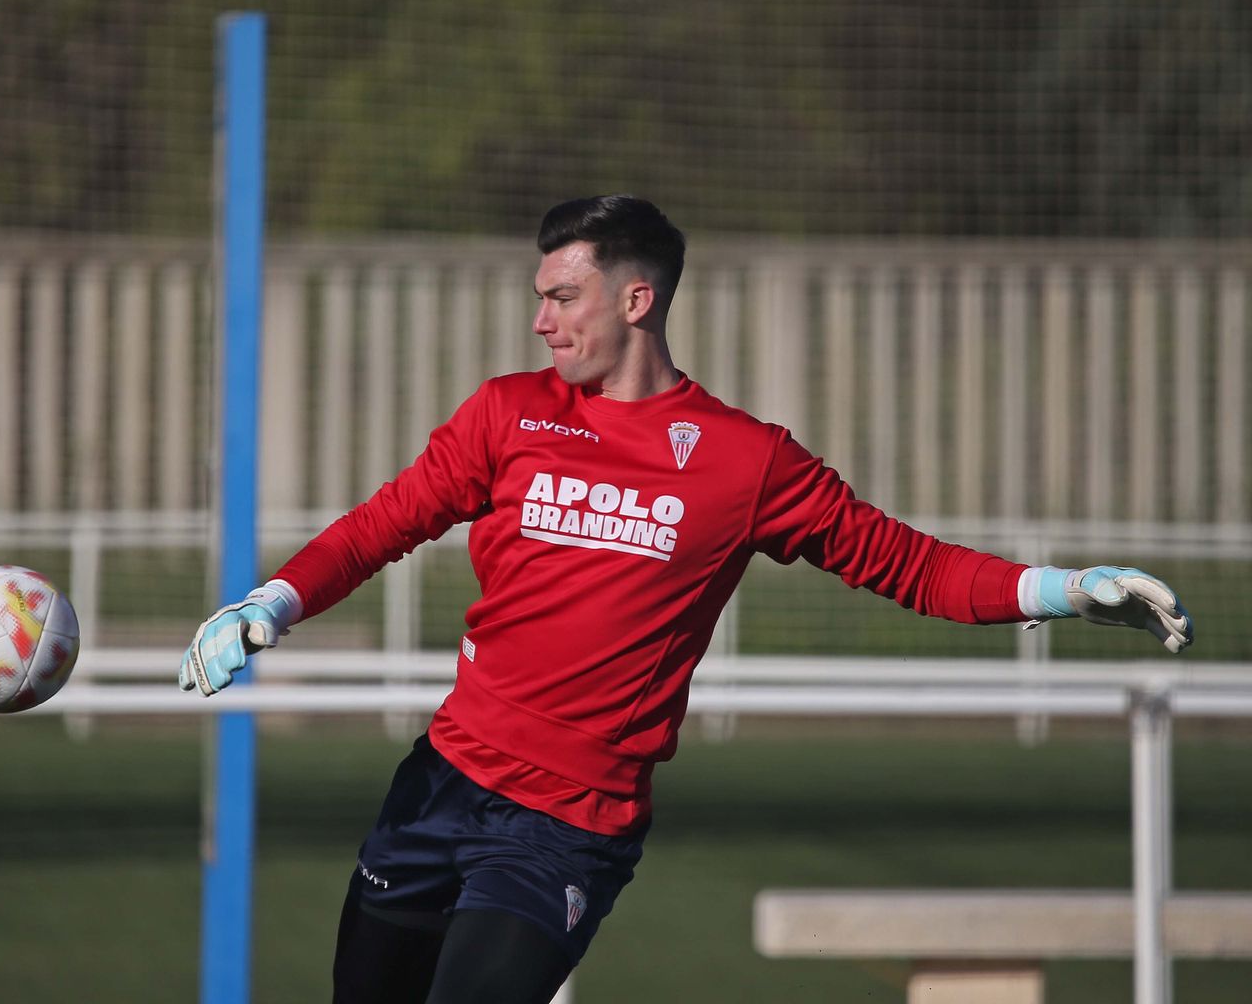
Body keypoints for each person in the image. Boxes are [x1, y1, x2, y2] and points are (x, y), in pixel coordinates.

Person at [181, 195, 1195, 1004]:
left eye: (562, 297)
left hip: (565, 827)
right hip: (439, 787)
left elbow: (909, 563)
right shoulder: (507, 412)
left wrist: (1061, 589)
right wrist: (266, 607)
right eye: (537, 296)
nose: (540, 320)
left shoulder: (745, 461)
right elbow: (380, 524)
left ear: (634, 300)